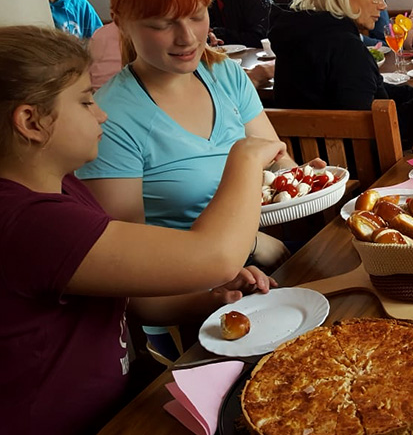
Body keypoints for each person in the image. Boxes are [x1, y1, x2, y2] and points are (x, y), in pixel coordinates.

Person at [0, 25, 284, 435]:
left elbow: (135, 299)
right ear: (31, 121)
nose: (101, 113)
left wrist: (209, 297)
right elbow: (218, 256)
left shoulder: (65, 190)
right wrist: (245, 157)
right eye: (86, 101)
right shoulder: (28, 222)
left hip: (119, 399)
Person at [75, 0, 299, 357]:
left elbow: (277, 161)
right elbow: (130, 279)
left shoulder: (224, 76)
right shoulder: (110, 120)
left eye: (197, 16)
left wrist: (302, 178)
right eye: (162, 25)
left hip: (262, 275)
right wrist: (217, 285)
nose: (187, 38)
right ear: (119, 20)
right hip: (185, 315)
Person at [270, 0, 413, 147]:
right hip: (351, 163)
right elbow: (383, 137)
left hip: (304, 162)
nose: (383, 5)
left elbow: (369, 92)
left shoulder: (297, 36)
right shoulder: (346, 49)